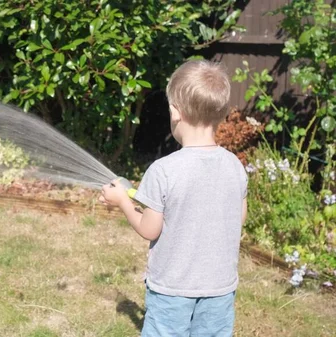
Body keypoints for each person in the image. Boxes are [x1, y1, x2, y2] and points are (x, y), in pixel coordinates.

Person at [99, 60, 248, 337]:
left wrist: (123, 202)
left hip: (172, 289)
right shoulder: (235, 166)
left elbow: (149, 229)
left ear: (174, 112)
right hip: (220, 289)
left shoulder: (163, 170)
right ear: (221, 113)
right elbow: (238, 218)